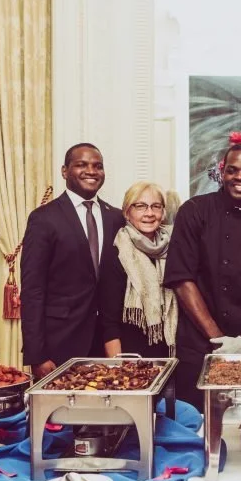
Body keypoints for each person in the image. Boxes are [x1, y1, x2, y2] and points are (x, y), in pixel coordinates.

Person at [163, 143, 241, 409]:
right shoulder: (194, 211)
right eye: (233, 170)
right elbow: (182, 280)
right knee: (196, 422)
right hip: (200, 345)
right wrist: (219, 342)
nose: (240, 177)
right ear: (222, 172)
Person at [20, 143, 124, 378]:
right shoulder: (43, 219)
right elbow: (32, 290)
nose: (91, 171)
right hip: (59, 344)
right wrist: (37, 355)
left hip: (107, 344)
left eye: (98, 166)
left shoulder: (116, 217)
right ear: (64, 171)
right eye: (81, 165)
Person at [99, 182, 177, 359]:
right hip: (132, 359)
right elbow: (109, 323)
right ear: (127, 212)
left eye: (156, 206)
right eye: (140, 206)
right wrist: (118, 367)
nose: (149, 213)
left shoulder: (175, 247)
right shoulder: (117, 252)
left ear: (163, 212)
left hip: (172, 355)